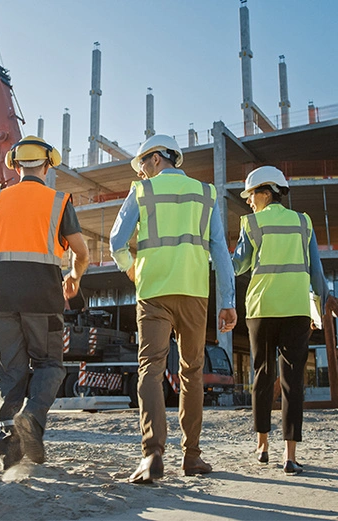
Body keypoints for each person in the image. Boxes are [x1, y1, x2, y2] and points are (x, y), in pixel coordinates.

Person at [109, 134, 237, 484]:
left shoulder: (142, 192)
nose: (143, 174)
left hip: (153, 292)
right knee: (192, 372)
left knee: (150, 370)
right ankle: (192, 457)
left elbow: (116, 242)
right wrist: (228, 302)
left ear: (154, 159)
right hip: (195, 293)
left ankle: (152, 454)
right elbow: (220, 252)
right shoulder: (206, 194)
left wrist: (132, 268)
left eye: (143, 166)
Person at [0, 136, 90, 471]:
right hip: (44, 297)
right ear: (48, 164)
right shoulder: (58, 200)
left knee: (10, 372)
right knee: (50, 365)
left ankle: (9, 452)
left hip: (3, 299)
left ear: (15, 164)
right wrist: (74, 278)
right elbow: (82, 253)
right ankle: (32, 416)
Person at [231, 166, 329, 475]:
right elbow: (317, 273)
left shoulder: (251, 224)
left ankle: (261, 447)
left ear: (265, 192)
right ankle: (290, 456)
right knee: (292, 381)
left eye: (251, 195)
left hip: (261, 309)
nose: (248, 202)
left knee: (262, 374)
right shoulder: (303, 222)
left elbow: (237, 266)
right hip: (297, 308)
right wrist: (318, 309)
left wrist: (216, 250)